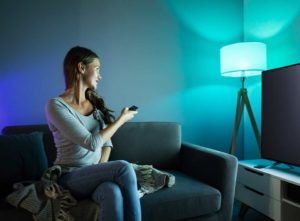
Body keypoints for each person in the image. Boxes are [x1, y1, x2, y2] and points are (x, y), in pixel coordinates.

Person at [45, 46, 141, 221]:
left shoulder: (94, 106)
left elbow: (106, 144)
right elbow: (92, 142)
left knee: (112, 191)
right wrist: (121, 119)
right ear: (82, 68)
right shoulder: (55, 106)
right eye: (97, 69)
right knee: (123, 167)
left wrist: (99, 170)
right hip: (69, 178)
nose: (100, 75)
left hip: (93, 174)